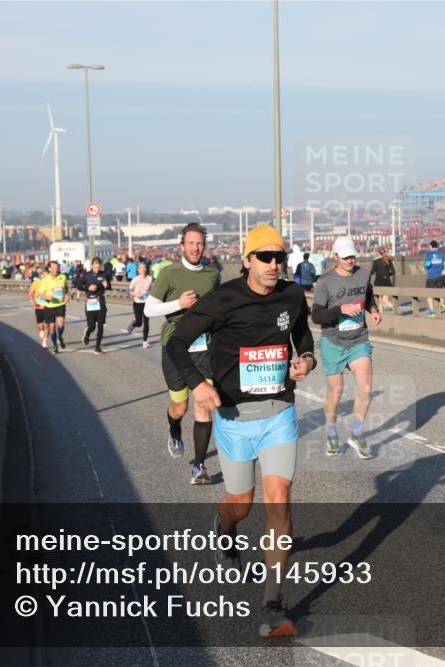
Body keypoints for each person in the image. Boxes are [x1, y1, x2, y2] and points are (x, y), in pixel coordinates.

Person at [165, 223, 315, 638]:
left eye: (279, 257)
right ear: (247, 260)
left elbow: (302, 333)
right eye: (264, 257)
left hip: (279, 410)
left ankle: (272, 605)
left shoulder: (291, 294)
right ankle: (224, 526)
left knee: (278, 498)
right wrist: (198, 385)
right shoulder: (223, 299)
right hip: (233, 417)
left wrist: (306, 359)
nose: (273, 264)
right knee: (241, 504)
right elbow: (176, 343)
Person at [145, 223, 220, 481]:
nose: (196, 248)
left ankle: (199, 467)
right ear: (182, 246)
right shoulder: (169, 273)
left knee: (204, 403)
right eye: (191, 243)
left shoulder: (212, 274)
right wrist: (180, 303)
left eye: (200, 243)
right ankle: (174, 429)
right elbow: (149, 309)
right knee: (180, 406)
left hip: (203, 345)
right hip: (174, 344)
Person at [312, 236, 381, 459]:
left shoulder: (363, 274)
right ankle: (331, 432)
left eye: (352, 256)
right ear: (335, 257)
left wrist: (373, 310)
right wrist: (340, 309)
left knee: (366, 388)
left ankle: (357, 434)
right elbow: (316, 316)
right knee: (336, 391)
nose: (350, 260)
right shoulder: (325, 282)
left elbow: (367, 294)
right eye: (345, 257)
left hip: (359, 339)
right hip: (333, 341)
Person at [77, 257, 110, 355]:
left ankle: (97, 347)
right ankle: (87, 333)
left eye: (98, 267)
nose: (97, 269)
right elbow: (79, 286)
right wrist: (88, 287)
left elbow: (109, 286)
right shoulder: (86, 275)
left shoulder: (104, 274)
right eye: (95, 267)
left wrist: (107, 285)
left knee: (100, 325)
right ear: (92, 266)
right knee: (92, 326)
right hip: (90, 301)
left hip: (101, 301)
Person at [38, 260, 71, 353]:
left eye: (57, 268)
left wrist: (67, 295)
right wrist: (47, 297)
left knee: (61, 324)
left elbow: (66, 287)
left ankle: (59, 337)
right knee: (51, 327)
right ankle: (55, 346)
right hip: (49, 305)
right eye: (53, 268)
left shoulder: (62, 277)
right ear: (49, 269)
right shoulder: (45, 280)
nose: (55, 270)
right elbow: (40, 294)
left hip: (60, 304)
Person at [126, 261, 154, 349]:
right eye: (141, 268)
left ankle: (145, 341)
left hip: (147, 303)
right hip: (137, 303)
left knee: (146, 322)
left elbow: (151, 289)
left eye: (144, 268)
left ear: (146, 269)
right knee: (139, 323)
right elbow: (128, 290)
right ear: (138, 270)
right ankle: (134, 324)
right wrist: (134, 294)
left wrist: (150, 295)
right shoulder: (135, 279)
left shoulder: (150, 278)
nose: (143, 269)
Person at [28, 266, 49, 350]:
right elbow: (31, 292)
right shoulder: (36, 282)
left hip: (49, 306)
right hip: (39, 305)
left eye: (45, 273)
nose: (43, 275)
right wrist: (31, 300)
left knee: (47, 324)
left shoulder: (50, 282)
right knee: (40, 325)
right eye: (42, 274)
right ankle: (41, 331)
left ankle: (44, 341)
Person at [423, 241, 445, 318]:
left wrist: (425, 267)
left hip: (431, 276)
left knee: (429, 294)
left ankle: (432, 311)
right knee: (440, 291)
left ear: (431, 246)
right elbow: (444, 265)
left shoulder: (429, 254)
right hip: (440, 276)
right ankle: (444, 305)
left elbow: (428, 264)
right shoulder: (442, 254)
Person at [370, 248, 396, 313]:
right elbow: (393, 271)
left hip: (379, 282)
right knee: (386, 300)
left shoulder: (376, 261)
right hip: (387, 282)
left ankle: (383, 313)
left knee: (380, 300)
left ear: (378, 253)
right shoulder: (388, 260)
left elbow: (372, 271)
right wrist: (387, 275)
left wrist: (368, 273)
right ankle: (396, 310)